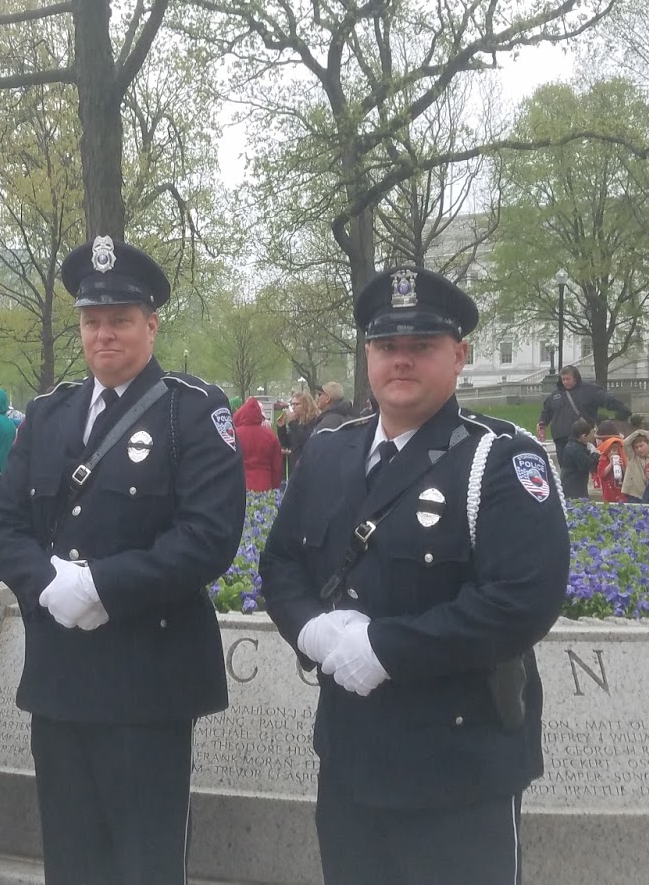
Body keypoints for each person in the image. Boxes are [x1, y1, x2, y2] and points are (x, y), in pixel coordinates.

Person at [259, 264, 567, 885]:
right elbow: (282, 564)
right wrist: (311, 632)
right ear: (368, 355)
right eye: (386, 346)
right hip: (351, 756)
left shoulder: (499, 459)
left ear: (459, 355)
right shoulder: (328, 451)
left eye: (421, 346)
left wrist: (386, 648)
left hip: (458, 767)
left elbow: (522, 602)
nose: (401, 361)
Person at [0, 236, 245, 885]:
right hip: (61, 677)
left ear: (150, 325)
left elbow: (209, 536)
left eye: (120, 320)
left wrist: (100, 585)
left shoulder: (192, 411)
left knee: (147, 863)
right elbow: (1, 523)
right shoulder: (47, 415)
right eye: (92, 321)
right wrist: (48, 585)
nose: (104, 335)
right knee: (70, 861)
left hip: (148, 682)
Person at [536, 365, 631, 457]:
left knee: (585, 466)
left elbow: (607, 400)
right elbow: (546, 411)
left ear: (575, 378)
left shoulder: (589, 390)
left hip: (582, 437)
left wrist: (622, 410)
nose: (565, 382)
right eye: (563, 379)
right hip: (561, 438)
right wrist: (542, 424)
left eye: (568, 379)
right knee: (566, 468)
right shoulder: (555, 395)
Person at [233, 396, 284, 491]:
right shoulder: (270, 435)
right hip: (265, 483)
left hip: (240, 483)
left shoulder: (235, 435)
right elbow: (277, 466)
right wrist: (275, 486)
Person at [276, 388, 321, 473]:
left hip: (309, 466)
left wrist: (292, 423)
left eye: (297, 404)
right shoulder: (297, 422)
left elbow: (304, 440)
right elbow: (288, 443)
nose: (293, 407)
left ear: (306, 405)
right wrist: (281, 428)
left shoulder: (314, 420)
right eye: (292, 404)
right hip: (295, 466)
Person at [558, 420, 597, 499]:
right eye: (590, 434)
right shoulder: (575, 448)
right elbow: (587, 465)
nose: (593, 436)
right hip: (573, 489)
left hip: (576, 486)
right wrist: (595, 455)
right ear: (583, 436)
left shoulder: (576, 445)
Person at [593, 420, 626, 503]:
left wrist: (622, 466)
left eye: (615, 449)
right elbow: (601, 474)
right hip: (608, 493)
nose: (613, 452)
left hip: (622, 492)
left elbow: (628, 474)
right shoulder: (603, 459)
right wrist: (610, 464)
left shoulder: (623, 455)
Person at [620, 430, 649, 504]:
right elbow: (625, 443)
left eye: (641, 446)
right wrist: (639, 432)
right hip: (633, 495)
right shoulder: (632, 457)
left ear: (648, 444)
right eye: (636, 447)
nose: (639, 449)